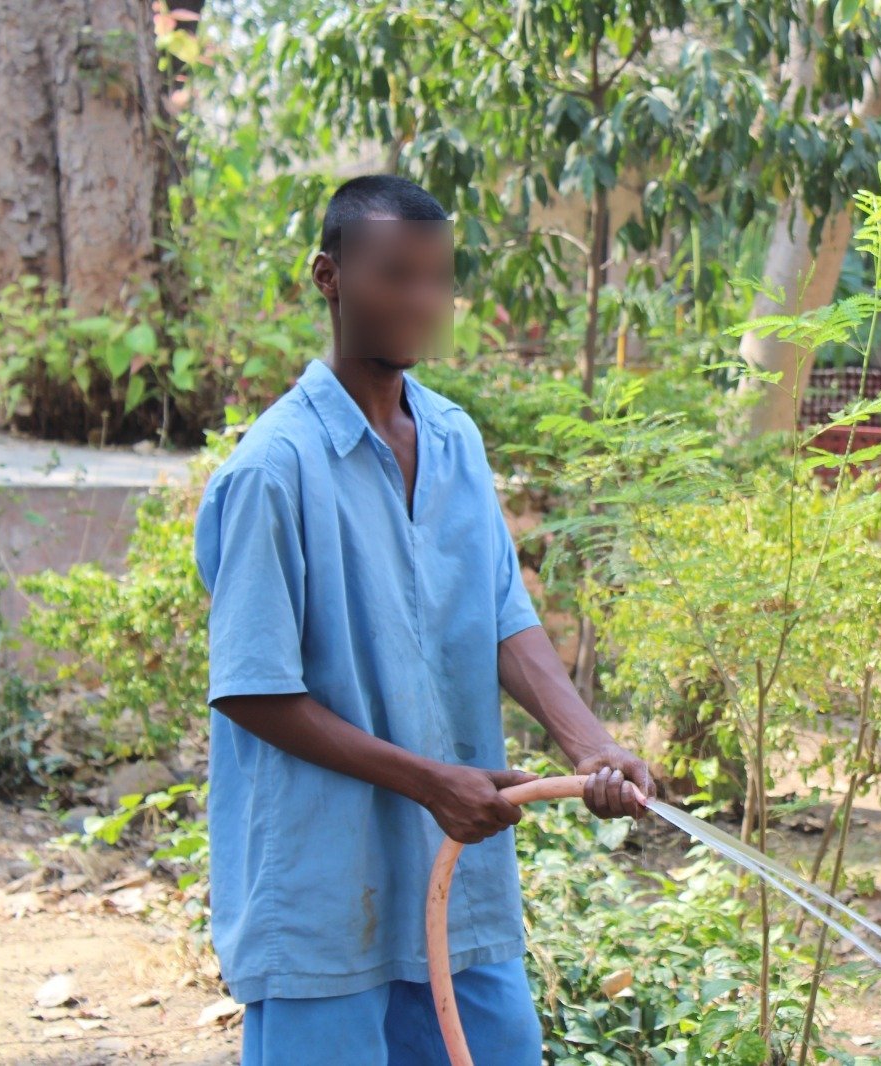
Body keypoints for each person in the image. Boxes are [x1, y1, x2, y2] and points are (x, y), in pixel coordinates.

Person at [194, 174, 654, 1065]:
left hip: (456, 883)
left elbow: (501, 620)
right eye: (395, 276)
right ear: (330, 277)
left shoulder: (453, 440)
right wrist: (433, 782)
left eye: (438, 278)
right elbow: (253, 692)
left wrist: (588, 745)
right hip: (324, 889)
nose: (421, 301)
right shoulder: (272, 471)